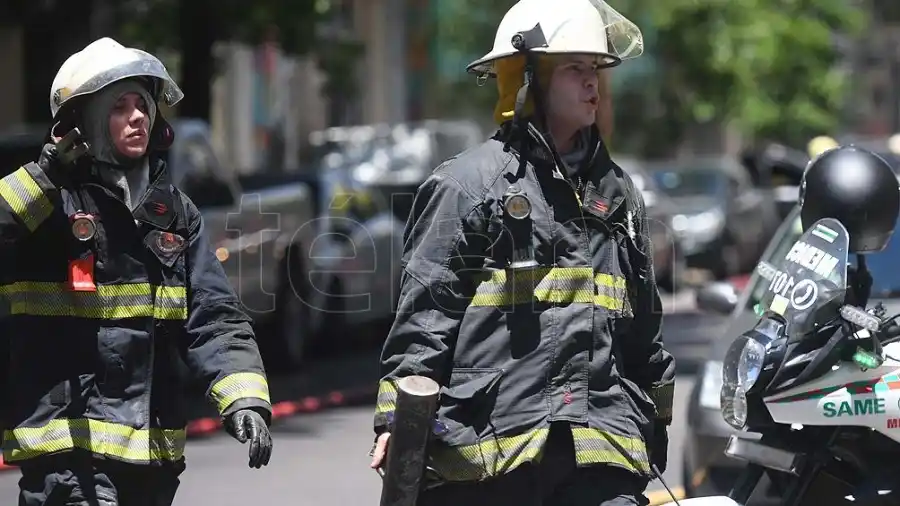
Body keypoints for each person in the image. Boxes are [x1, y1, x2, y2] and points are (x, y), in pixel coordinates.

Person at [369, 0, 676, 504]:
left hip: (599, 451)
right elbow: (426, 318)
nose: (592, 82)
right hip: (493, 454)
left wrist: (655, 421)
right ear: (528, 79)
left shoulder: (618, 194)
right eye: (574, 68)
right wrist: (396, 424)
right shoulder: (468, 186)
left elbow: (644, 328)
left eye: (595, 68)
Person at [0, 37, 273, 506]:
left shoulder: (172, 213)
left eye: (143, 104)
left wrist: (243, 397)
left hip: (152, 464)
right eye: (119, 106)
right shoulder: (47, 204)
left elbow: (212, 315)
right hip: (70, 463)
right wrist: (46, 176)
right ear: (81, 124)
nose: (138, 117)